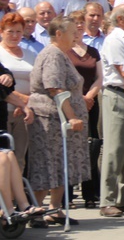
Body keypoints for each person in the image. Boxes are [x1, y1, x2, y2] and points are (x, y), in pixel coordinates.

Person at [27, 16, 89, 226]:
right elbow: (55, 88)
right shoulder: (53, 54)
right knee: (47, 164)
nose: (76, 36)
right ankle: (36, 210)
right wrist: (72, 116)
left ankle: (55, 208)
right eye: (72, 33)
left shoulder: (62, 54)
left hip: (59, 121)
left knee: (61, 164)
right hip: (51, 119)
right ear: (59, 34)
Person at [98, 4, 124, 218]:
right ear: (121, 19)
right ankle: (107, 200)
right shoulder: (115, 39)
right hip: (118, 95)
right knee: (115, 149)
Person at [67, 10, 103, 209]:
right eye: (75, 23)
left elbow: (99, 77)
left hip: (91, 103)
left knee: (91, 148)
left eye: (81, 22)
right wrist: (78, 98)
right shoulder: (64, 52)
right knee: (72, 148)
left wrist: (89, 96)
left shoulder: (93, 51)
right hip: (70, 104)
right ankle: (69, 194)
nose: (79, 26)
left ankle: (90, 194)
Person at [0, 13, 35, 171]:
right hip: (5, 110)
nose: (15, 36)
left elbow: (38, 82)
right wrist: (23, 101)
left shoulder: (31, 55)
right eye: (10, 32)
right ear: (1, 32)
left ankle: (16, 193)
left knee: (20, 157)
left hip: (24, 113)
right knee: (4, 156)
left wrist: (27, 104)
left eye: (18, 32)